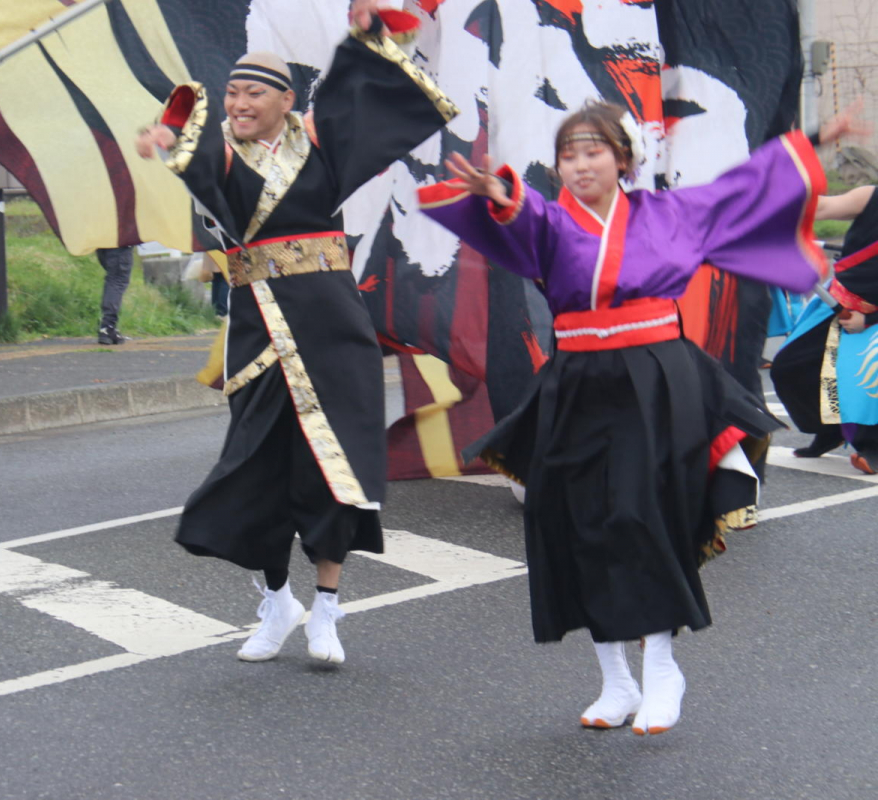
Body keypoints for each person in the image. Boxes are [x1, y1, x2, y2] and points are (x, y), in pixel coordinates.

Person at [418, 101, 857, 734]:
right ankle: (616, 681)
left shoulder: (670, 213)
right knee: (576, 523)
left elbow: (745, 186)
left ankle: (661, 666)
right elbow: (522, 220)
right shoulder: (551, 220)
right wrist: (505, 199)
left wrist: (811, 138)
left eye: (593, 151)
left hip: (653, 380)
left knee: (636, 515)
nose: (579, 165)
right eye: (567, 155)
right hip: (576, 383)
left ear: (623, 159)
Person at [137, 0, 457, 665]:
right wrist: (171, 134)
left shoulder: (321, 146)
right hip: (261, 338)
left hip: (333, 333)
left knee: (332, 476)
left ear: (286, 101)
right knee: (258, 473)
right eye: (233, 92)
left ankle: (328, 611)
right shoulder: (225, 158)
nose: (239, 102)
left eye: (254, 92)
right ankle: (279, 601)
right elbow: (196, 156)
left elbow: (356, 97)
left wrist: (369, 37)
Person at [772, 184, 878, 473]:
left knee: (863, 381)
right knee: (789, 368)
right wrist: (772, 203)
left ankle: (873, 447)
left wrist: (868, 321)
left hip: (872, 318)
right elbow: (822, 207)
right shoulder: (871, 196)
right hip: (840, 301)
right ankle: (830, 428)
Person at [95, 246, 133, 345]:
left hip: (101, 242)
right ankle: (108, 326)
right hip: (120, 244)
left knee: (113, 279)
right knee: (117, 280)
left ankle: (108, 327)